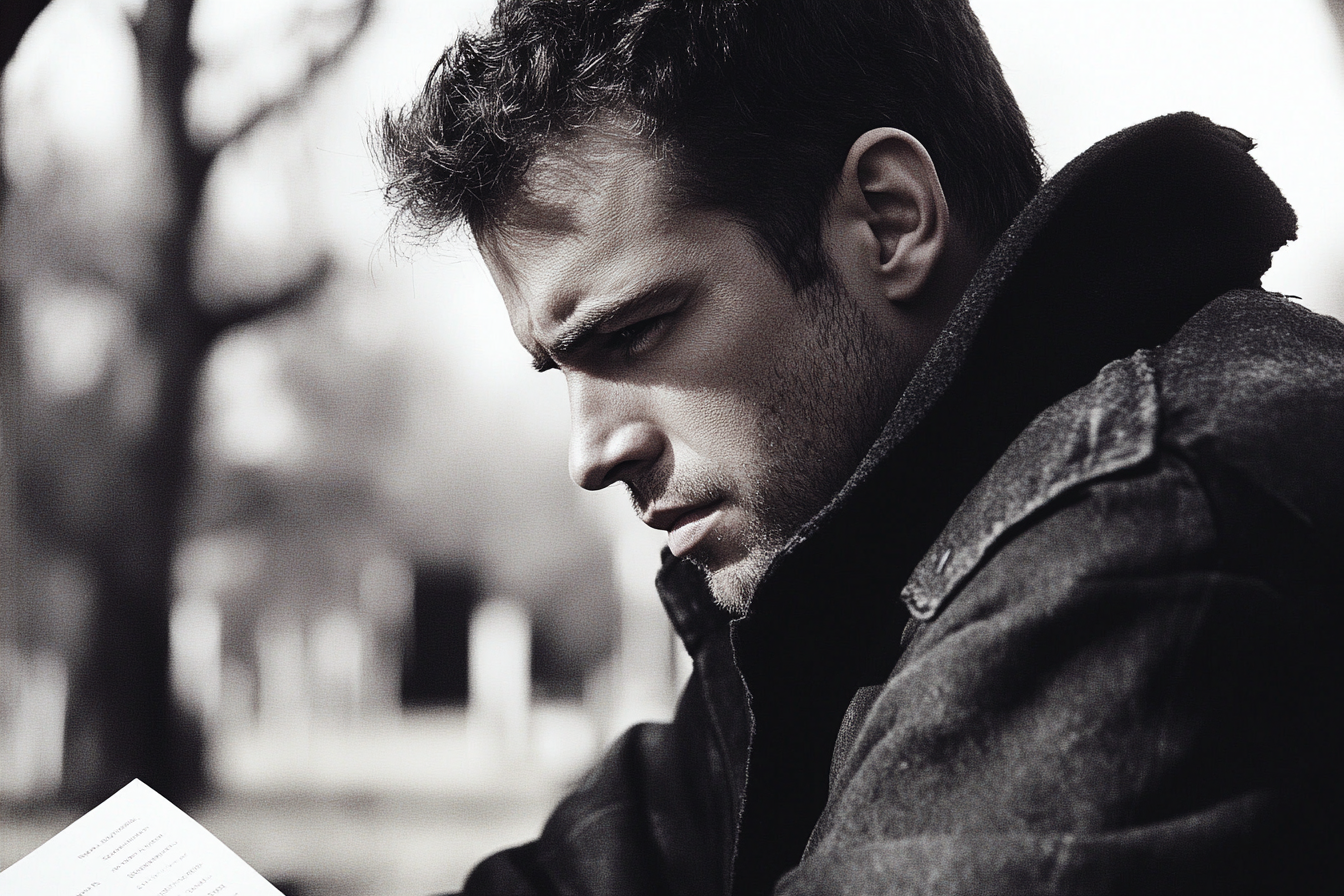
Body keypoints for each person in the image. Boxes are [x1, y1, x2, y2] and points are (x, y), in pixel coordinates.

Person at [377, 0, 1344, 892]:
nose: (590, 455)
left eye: (634, 332)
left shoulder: (1138, 542)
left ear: (889, 219)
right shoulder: (865, 562)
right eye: (562, 367)